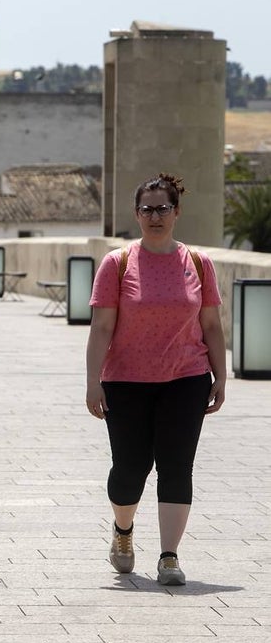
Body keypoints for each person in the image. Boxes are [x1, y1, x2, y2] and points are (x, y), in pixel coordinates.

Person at [85, 174, 226, 586]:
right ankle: (124, 531)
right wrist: (93, 380)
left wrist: (220, 376)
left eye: (163, 207)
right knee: (130, 468)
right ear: (137, 214)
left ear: (177, 212)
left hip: (186, 378)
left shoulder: (198, 264)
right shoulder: (118, 262)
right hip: (125, 381)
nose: (155, 216)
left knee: (177, 466)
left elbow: (212, 325)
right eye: (147, 209)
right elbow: (101, 327)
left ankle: (169, 556)